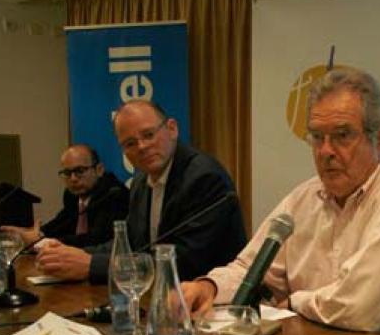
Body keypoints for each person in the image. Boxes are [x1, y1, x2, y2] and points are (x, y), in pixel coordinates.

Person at [182, 68, 380, 335]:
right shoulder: (304, 198)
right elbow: (250, 269)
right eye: (317, 137)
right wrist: (209, 287)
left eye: (342, 135)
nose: (325, 151)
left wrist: (296, 302)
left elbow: (360, 307)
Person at [36, 100, 247, 283]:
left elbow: (183, 262)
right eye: (130, 143)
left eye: (148, 135)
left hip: (210, 301)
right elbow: (131, 244)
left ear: (172, 129)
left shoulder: (204, 178)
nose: (142, 147)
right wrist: (74, 255)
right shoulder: (140, 181)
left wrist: (92, 265)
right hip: (158, 294)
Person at [1, 144, 129, 248]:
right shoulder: (72, 195)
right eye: (67, 173)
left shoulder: (114, 194)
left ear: (99, 170)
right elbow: (61, 223)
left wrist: (41, 240)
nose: (73, 179)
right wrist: (34, 233)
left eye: (80, 171)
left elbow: (96, 239)